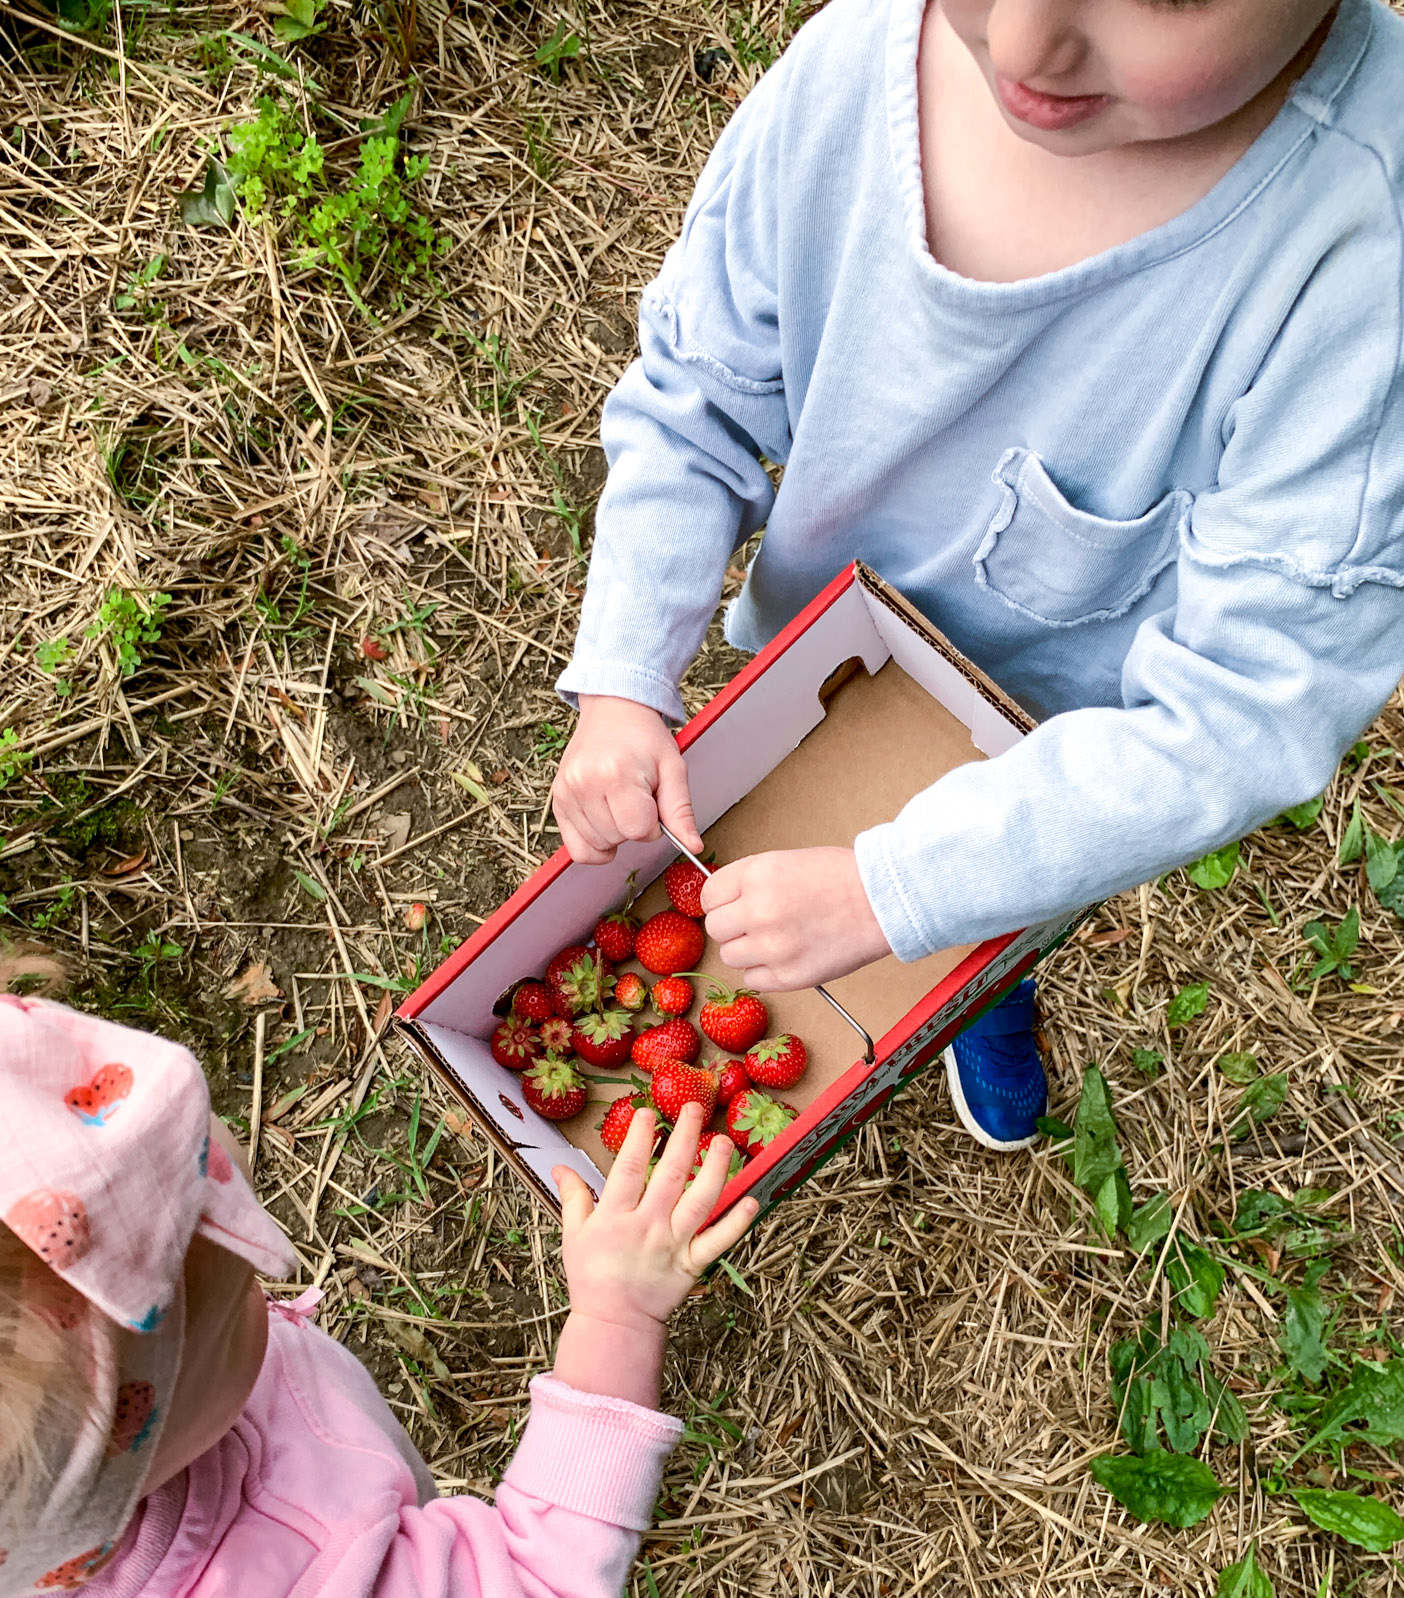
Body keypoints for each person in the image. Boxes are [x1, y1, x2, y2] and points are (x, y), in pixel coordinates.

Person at [550, 0, 1404, 1147]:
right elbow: (696, 394)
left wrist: (891, 893)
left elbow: (1242, 711)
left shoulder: (1362, 269)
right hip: (820, 685)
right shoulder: (856, 63)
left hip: (1046, 760)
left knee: (968, 915)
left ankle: (980, 991)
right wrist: (622, 673)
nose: (1024, 44)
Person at [0, 942, 754, 1598]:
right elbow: (536, 1595)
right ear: (125, 1457)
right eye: (238, 1305)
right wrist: (616, 1318)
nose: (260, 1280)